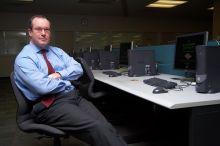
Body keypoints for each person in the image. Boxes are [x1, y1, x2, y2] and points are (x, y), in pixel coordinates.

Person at [14, 15, 127, 146]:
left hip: (74, 96)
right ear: (30, 32)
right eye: (39, 29)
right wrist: (67, 81)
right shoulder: (24, 59)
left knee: (105, 125)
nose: (44, 33)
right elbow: (42, 87)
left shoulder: (57, 51)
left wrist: (59, 74)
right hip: (49, 104)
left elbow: (78, 69)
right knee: (97, 127)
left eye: (47, 29)